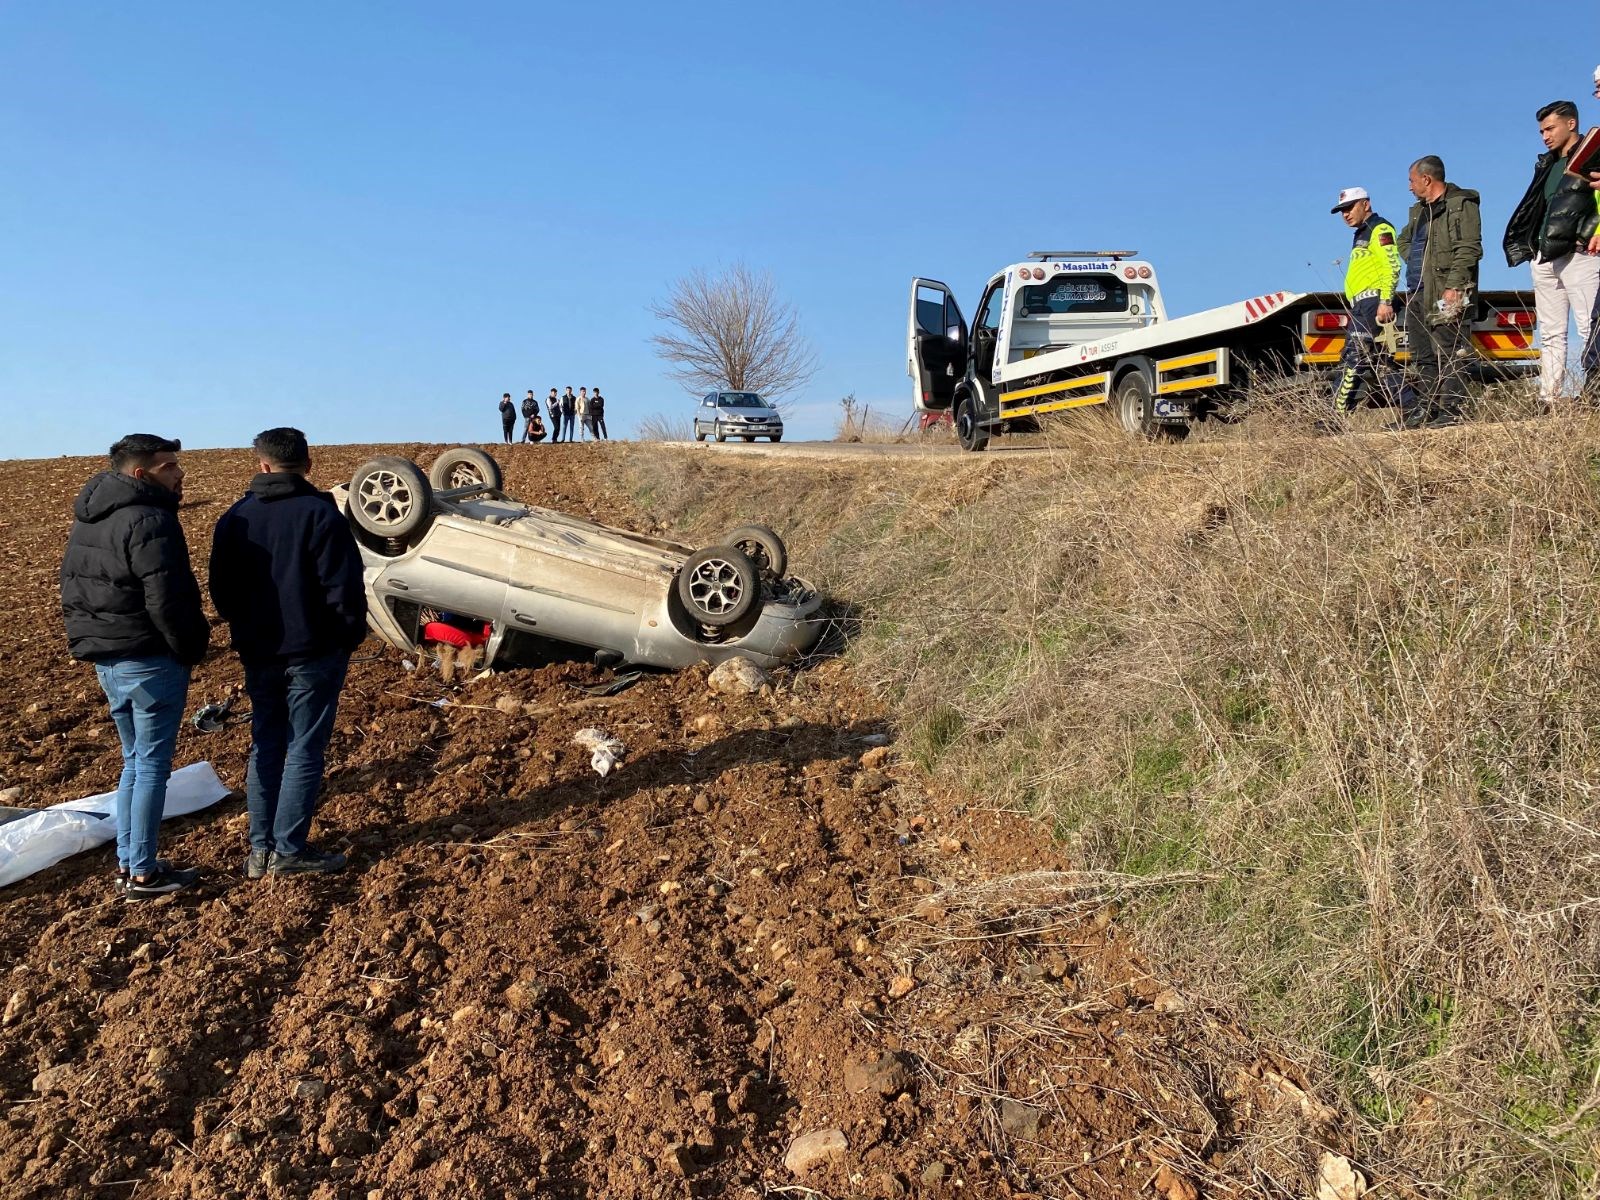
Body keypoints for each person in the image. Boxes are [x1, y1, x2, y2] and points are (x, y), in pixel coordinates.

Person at [209, 428, 367, 878]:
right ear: (308, 465)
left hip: (260, 653)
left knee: (266, 743)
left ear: (261, 465)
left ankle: (260, 851)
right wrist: (347, 636)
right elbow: (343, 589)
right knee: (303, 748)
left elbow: (222, 592)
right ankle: (289, 850)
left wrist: (249, 628)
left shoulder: (235, 519)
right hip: (315, 652)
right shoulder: (323, 515)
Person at [60, 433, 210, 898]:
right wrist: (190, 648)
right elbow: (168, 598)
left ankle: (131, 860)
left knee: (135, 761)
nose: (180, 473)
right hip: (149, 660)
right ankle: (143, 872)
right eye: (169, 467)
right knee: (151, 767)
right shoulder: (150, 519)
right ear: (141, 474)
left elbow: (75, 589)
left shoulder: (91, 518)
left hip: (109, 659)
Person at [1504, 100, 1600, 405]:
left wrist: (1591, 233)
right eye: (1541, 131)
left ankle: (1593, 392)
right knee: (1551, 332)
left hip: (1578, 252)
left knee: (1589, 326)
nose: (1545, 136)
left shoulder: (1592, 154)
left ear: (1571, 124)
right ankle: (1549, 398)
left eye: (1550, 128)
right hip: (1544, 255)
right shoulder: (1546, 163)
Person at [1397, 156, 1482, 427]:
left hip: (1447, 290)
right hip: (1418, 292)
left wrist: (1454, 286)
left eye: (1411, 181)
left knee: (1450, 349)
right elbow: (1403, 240)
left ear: (1426, 179)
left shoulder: (1460, 205)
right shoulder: (1419, 211)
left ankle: (1453, 411)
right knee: (1423, 354)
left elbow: (1468, 248)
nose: (1409, 187)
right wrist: (1419, 261)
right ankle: (1428, 409)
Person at [1328, 187, 1405, 420]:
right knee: (1381, 362)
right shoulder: (1361, 233)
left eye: (1350, 207)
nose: (1345, 214)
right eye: (1342, 210)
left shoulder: (1380, 228)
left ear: (1366, 204)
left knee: (1354, 357)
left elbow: (1392, 265)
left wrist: (1385, 301)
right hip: (1362, 304)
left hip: (1372, 303)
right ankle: (1413, 408)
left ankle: (1335, 417)